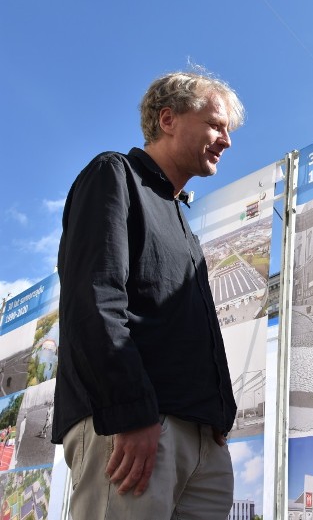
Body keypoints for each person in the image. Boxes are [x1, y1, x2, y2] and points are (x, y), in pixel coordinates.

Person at [52, 70, 244, 519]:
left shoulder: (181, 220)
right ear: (168, 119)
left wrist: (218, 416)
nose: (227, 141)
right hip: (133, 431)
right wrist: (130, 412)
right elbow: (94, 300)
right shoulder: (113, 176)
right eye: (216, 125)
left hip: (201, 441)